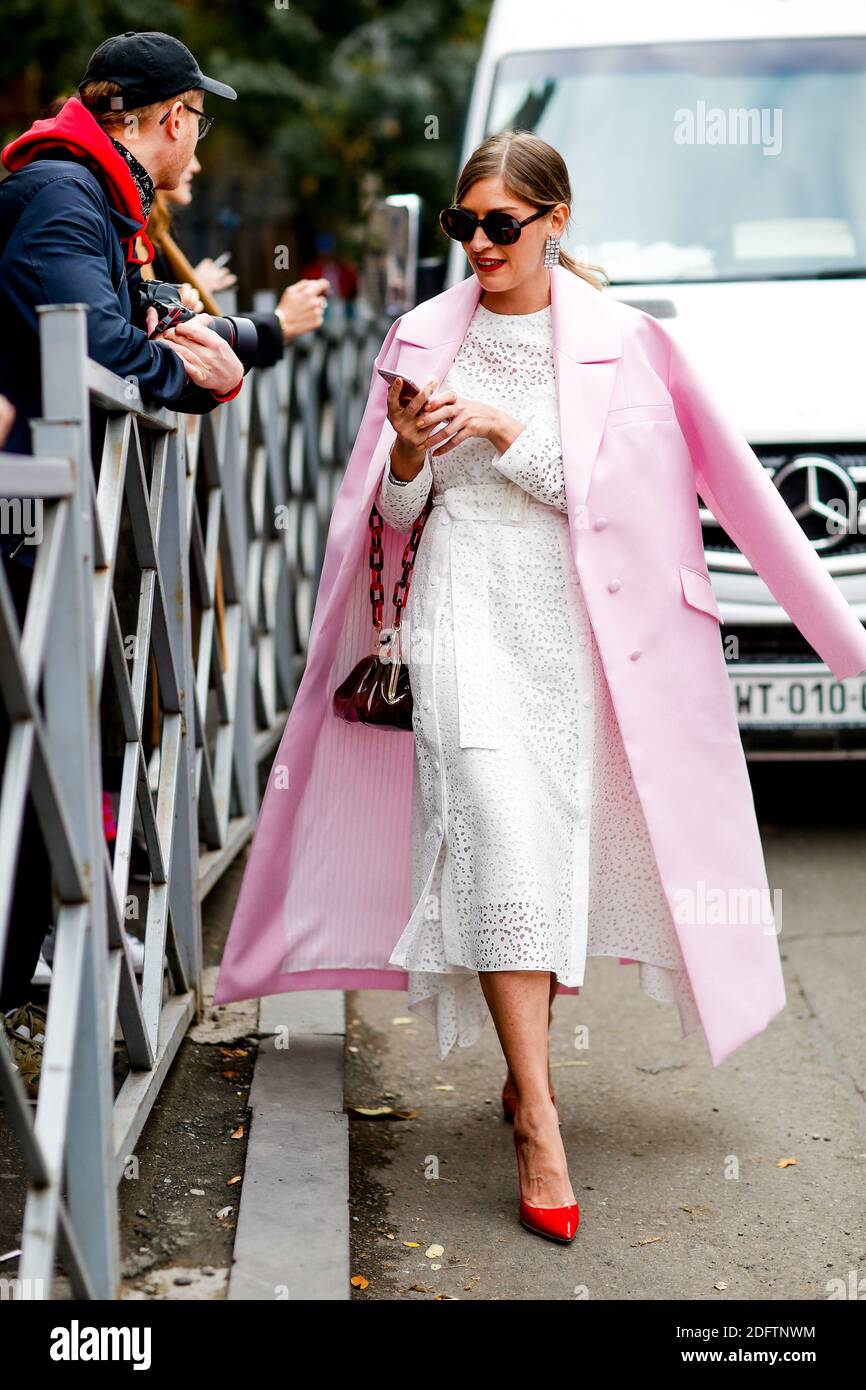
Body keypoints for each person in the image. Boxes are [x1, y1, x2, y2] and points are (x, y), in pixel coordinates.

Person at [213, 131, 866, 1245]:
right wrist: (411, 457)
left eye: (500, 226)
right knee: (505, 838)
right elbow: (391, 520)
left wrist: (510, 430)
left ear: (555, 220)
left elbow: (633, 505)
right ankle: (538, 1122)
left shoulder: (628, 343)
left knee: (551, 853)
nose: (477, 245)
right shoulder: (420, 334)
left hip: (576, 628)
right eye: (466, 225)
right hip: (459, 611)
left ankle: (525, 1076)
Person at [0, 30, 243, 1042]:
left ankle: (46, 948)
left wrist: (171, 329)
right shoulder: (64, 192)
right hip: (31, 512)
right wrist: (191, 371)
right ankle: (29, 969)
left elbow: (120, 315)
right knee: (37, 734)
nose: (197, 143)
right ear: (170, 117)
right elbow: (93, 345)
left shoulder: (87, 192)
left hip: (60, 512)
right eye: (195, 121)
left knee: (75, 723)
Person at [142, 155, 330, 364]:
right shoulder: (143, 240)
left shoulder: (156, 235)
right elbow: (176, 345)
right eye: (189, 152)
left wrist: (189, 288)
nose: (196, 166)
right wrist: (281, 321)